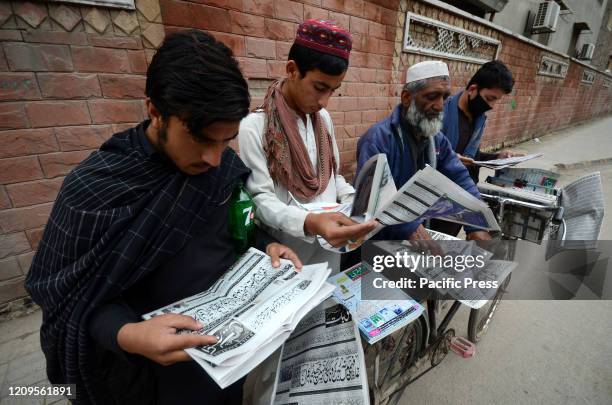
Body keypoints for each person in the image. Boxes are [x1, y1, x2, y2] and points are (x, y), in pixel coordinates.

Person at [25, 30, 301, 405]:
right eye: (203, 140)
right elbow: (61, 293)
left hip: (227, 357)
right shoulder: (97, 187)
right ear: (156, 111)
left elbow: (239, 227)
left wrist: (266, 243)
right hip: (149, 375)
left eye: (226, 141)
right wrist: (126, 334)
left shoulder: (219, 171)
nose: (215, 159)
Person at [238, 19, 376, 269]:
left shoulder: (322, 119)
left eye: (333, 90)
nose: (325, 101)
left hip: (330, 250)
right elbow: (260, 201)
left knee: (329, 305)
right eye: (319, 87)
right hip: (286, 254)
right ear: (292, 70)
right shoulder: (254, 127)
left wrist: (360, 203)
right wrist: (311, 222)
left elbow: (332, 180)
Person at [356, 60, 490, 241]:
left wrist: (477, 222)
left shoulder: (437, 140)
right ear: (406, 98)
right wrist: (409, 227)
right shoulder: (378, 140)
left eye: (444, 97)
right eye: (431, 96)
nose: (440, 106)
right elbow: (372, 201)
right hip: (378, 242)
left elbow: (459, 179)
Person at [431, 60, 521, 236]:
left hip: (465, 190)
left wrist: (498, 157)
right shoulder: (441, 114)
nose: (492, 106)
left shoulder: (479, 118)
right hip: (440, 196)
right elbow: (425, 155)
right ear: (473, 89)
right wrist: (449, 158)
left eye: (496, 101)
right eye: (490, 99)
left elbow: (472, 156)